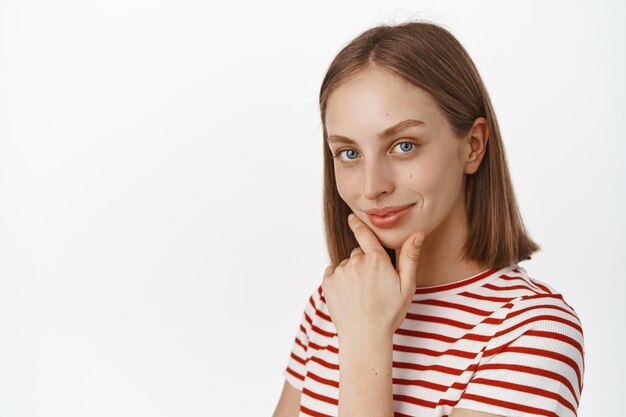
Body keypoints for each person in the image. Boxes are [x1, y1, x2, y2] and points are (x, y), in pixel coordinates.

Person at [272, 20, 584, 417]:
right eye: (348, 153)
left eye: (404, 145)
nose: (372, 187)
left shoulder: (534, 330)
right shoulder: (336, 301)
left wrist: (367, 341)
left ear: (473, 146)